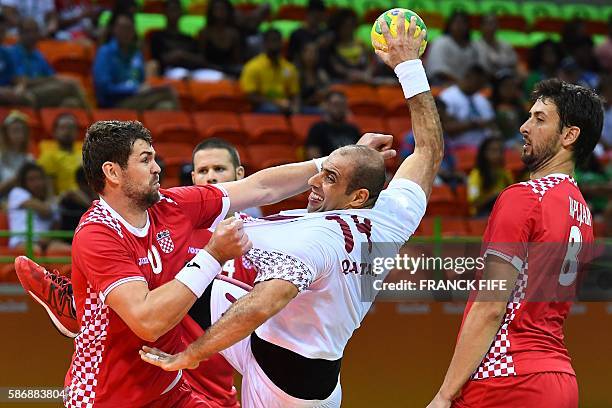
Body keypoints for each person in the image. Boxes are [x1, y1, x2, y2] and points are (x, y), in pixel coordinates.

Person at [140, 14, 442, 408]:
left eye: (329, 177)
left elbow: (262, 304)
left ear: (357, 196)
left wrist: (191, 355)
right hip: (301, 360)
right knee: (184, 263)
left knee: (183, 267)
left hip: (281, 383)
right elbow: (429, 150)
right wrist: (409, 67)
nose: (314, 182)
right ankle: (89, 301)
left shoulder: (314, 242)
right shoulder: (390, 217)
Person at [14, 118, 392, 406]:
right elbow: (148, 322)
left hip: (171, 387)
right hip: (106, 396)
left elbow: (260, 187)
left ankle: (79, 309)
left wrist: (339, 160)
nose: (158, 167)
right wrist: (212, 256)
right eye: (145, 160)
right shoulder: (97, 234)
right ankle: (79, 308)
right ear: (112, 173)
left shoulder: (174, 206)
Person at [427, 79, 604, 408]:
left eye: (539, 119)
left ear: (569, 135)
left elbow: (491, 307)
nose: (524, 127)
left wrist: (444, 394)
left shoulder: (523, 197)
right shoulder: (582, 211)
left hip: (507, 377)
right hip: (560, 378)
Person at [93, 13, 177, 109]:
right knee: (167, 92)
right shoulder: (105, 52)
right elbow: (104, 87)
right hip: (115, 103)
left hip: (137, 98)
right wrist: (134, 89)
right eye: (122, 28)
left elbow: (141, 80)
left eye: (129, 29)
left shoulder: (137, 54)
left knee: (165, 107)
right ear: (114, 30)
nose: (125, 32)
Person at [11, 18, 87, 108]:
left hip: (44, 91)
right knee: (71, 85)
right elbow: (22, 81)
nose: (31, 35)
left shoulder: (38, 55)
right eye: (27, 31)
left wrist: (51, 79)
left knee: (71, 103)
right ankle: (93, 118)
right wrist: (51, 80)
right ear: (19, 34)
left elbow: (51, 75)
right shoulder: (13, 53)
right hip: (26, 93)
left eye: (35, 31)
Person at [7, 162, 70, 252]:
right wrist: (52, 193)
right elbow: (45, 210)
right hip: (22, 241)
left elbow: (55, 229)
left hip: (45, 243)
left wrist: (47, 239)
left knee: (70, 251)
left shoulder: (51, 202)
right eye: (31, 180)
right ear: (24, 183)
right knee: (36, 251)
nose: (37, 183)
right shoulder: (17, 193)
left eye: (39, 178)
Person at [240, 28, 300, 114]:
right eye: (271, 41)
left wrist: (296, 108)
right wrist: (276, 103)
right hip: (262, 107)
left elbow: (295, 94)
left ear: (282, 43)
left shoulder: (289, 68)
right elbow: (250, 96)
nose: (274, 44)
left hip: (286, 106)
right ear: (264, 43)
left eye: (277, 41)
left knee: (316, 112)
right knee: (271, 109)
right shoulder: (253, 66)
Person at [438, 65, 496, 148]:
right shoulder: (447, 97)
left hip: (483, 148)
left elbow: (491, 123)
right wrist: (474, 124)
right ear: (468, 77)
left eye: (482, 84)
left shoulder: (482, 99)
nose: (480, 87)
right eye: (477, 83)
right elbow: (447, 128)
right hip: (458, 147)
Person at [149, 0, 205, 78]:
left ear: (181, 13)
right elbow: (155, 60)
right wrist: (173, 56)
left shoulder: (188, 38)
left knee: (218, 77)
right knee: (182, 74)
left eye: (176, 10)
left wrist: (183, 55)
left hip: (193, 70)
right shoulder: (157, 36)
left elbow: (200, 59)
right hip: (169, 71)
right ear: (164, 12)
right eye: (171, 10)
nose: (174, 13)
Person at [425, 11, 477, 85]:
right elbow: (438, 71)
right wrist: (460, 82)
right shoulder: (440, 42)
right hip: (441, 84)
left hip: (468, 87)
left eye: (463, 23)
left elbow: (476, 70)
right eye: (457, 22)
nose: (460, 26)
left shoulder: (472, 46)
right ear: (449, 25)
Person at [305, 90, 360, 159]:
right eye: (335, 104)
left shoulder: (353, 129)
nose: (339, 108)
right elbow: (314, 157)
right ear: (326, 106)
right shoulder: (317, 129)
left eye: (342, 105)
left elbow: (359, 157)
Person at [37, 112, 82, 195]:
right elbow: (48, 189)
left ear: (77, 132)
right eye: (63, 128)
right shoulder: (48, 156)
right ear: (54, 132)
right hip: (65, 200)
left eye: (71, 128)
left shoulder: (85, 154)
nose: (67, 131)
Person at [467, 137, 513, 216]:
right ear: (484, 153)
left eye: (500, 151)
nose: (498, 154)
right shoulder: (476, 174)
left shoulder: (505, 173)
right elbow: (474, 202)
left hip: (502, 211)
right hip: (482, 214)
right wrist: (494, 196)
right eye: (494, 151)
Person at [196, 0, 243, 78]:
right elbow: (201, 57)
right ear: (211, 12)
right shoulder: (204, 33)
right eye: (217, 9)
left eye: (223, 9)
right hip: (208, 69)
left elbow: (237, 60)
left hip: (229, 69)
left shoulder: (234, 33)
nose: (220, 12)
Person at [0, 111, 34, 198]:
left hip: (26, 200)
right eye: (14, 130)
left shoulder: (29, 159)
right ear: (5, 133)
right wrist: (15, 179)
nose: (18, 134)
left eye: (21, 130)